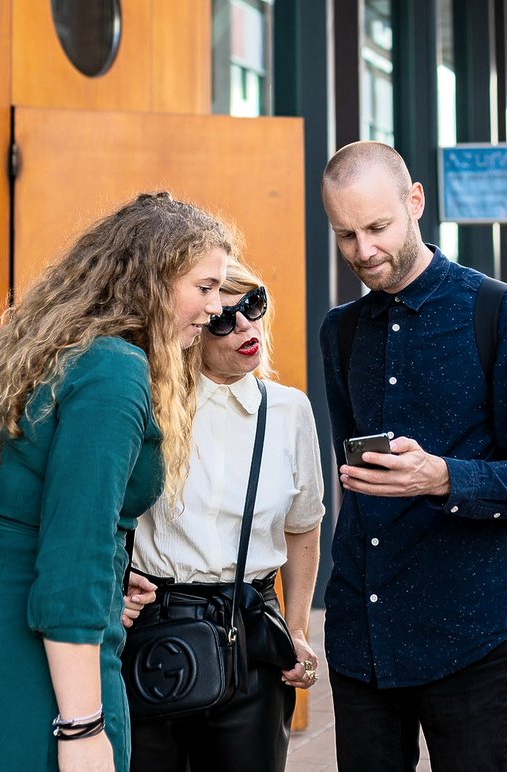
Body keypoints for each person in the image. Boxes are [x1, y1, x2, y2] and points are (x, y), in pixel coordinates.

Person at [0, 191, 234, 772]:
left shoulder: (48, 355)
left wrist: (109, 585)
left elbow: (5, 515)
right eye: (203, 288)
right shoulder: (116, 372)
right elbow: (75, 553)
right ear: (151, 280)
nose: (215, 309)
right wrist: (82, 727)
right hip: (22, 675)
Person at [317, 141, 507, 772]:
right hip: (363, 634)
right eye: (346, 235)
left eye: (377, 227)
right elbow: (353, 475)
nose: (363, 251)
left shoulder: (503, 311)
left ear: (415, 203)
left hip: (472, 634)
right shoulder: (339, 331)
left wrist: (441, 476)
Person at [127, 258, 325, 772]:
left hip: (252, 633)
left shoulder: (290, 411)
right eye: (221, 318)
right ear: (193, 328)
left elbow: (303, 526)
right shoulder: (147, 404)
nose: (244, 326)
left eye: (253, 306)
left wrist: (297, 630)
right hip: (155, 629)